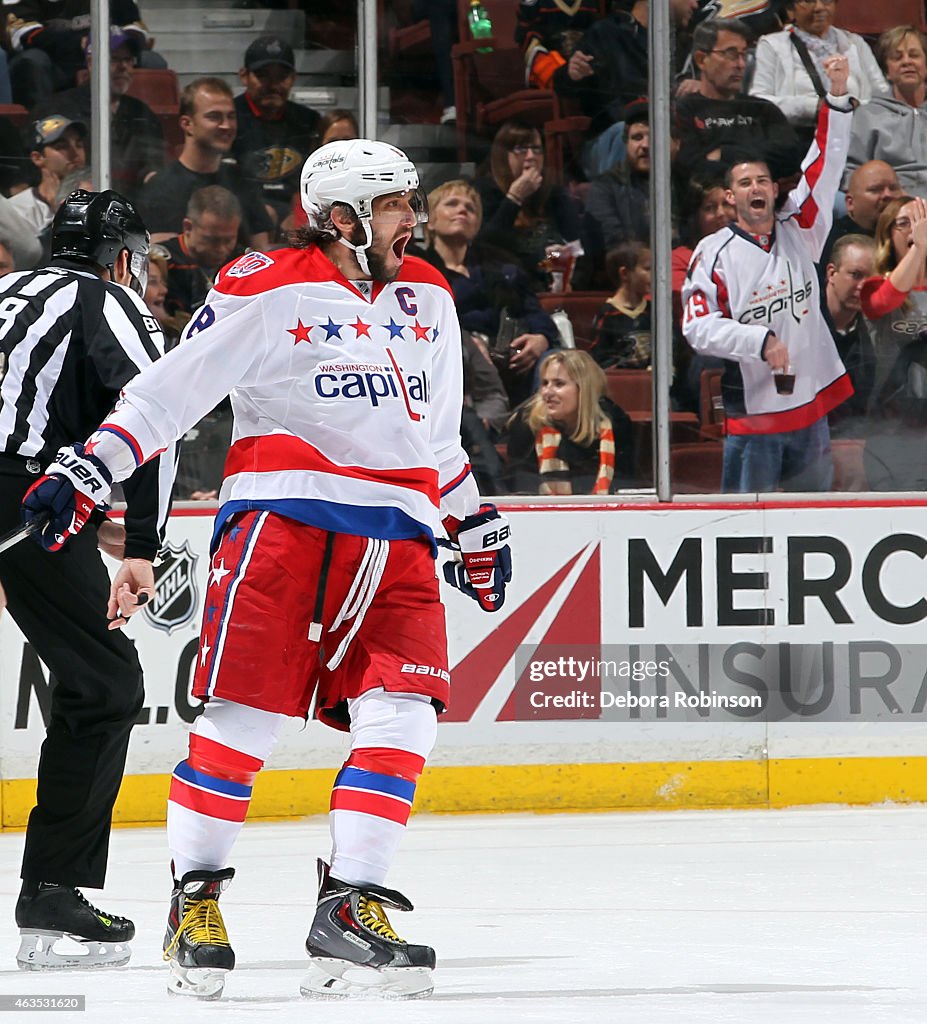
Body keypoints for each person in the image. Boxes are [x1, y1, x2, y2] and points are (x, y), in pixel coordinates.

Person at [20, 140, 512, 1001]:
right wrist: (89, 468)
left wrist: (472, 521)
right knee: (244, 719)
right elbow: (171, 392)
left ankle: (350, 906)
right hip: (281, 524)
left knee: (404, 713)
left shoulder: (428, 294)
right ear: (343, 217)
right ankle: (194, 899)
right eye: (397, 203)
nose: (414, 215)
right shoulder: (263, 280)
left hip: (397, 533)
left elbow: (434, 437)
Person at [0, 190, 173, 970]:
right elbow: (153, 413)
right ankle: (54, 897)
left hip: (30, 501)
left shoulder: (6, 290)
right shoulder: (110, 299)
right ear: (123, 256)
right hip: (23, 502)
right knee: (103, 686)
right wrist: (141, 543)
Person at [682, 53, 854, 492]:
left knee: (812, 524)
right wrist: (759, 341)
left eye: (762, 181)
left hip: (810, 408)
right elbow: (698, 327)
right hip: (752, 415)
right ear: (728, 196)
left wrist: (835, 101)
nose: (755, 188)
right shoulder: (713, 252)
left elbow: (825, 169)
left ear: (776, 189)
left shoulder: (803, 229)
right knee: (744, 527)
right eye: (744, 183)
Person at [418, 179, 560, 409]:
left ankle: (542, 431)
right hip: (454, 357)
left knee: (554, 361)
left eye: (470, 208)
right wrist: (465, 342)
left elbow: (533, 310)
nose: (462, 209)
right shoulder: (418, 269)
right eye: (452, 204)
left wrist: (541, 338)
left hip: (510, 356)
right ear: (431, 221)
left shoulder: (502, 267)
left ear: (476, 224)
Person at [552, 0, 698, 177]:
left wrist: (701, 86)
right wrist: (572, 73)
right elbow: (563, 85)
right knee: (631, 133)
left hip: (669, 133)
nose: (695, 5)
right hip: (612, 137)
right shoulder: (605, 34)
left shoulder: (685, 42)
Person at [32, 27, 165, 204]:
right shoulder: (56, 108)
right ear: (90, 62)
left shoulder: (141, 112)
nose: (123, 67)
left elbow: (153, 169)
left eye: (128, 60)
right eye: (114, 59)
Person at [141, 77, 272, 248]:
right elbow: (157, 259)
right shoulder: (159, 188)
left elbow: (261, 254)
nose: (226, 125)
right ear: (187, 124)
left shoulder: (242, 181)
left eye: (231, 117)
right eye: (214, 117)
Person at [675, 18, 802, 178]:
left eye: (743, 54)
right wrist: (758, 159)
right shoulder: (685, 110)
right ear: (701, 59)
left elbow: (790, 157)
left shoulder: (762, 108)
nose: (741, 64)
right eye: (731, 54)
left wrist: (725, 154)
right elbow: (690, 167)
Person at [749, 0, 888, 146]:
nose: (819, 7)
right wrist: (814, 106)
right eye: (809, 1)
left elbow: (883, 97)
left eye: (826, 1)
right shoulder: (772, 45)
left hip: (856, 138)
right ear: (791, 10)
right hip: (799, 141)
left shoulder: (854, 43)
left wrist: (855, 106)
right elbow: (759, 102)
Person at [472, 120, 582, 289]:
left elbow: (577, 247)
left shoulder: (554, 194)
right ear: (503, 156)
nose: (531, 156)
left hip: (553, 284)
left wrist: (562, 267)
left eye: (537, 149)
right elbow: (485, 246)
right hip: (505, 287)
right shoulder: (484, 191)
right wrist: (514, 198)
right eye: (521, 149)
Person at [506, 349, 634, 493]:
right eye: (545, 383)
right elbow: (520, 487)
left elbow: (625, 485)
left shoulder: (616, 426)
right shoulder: (527, 425)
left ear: (584, 389)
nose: (547, 392)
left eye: (558, 384)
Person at [232, 36, 320, 226]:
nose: (273, 85)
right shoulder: (229, 118)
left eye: (281, 77)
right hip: (243, 215)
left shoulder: (309, 121)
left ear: (293, 78)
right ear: (244, 76)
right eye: (263, 75)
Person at [5, 0, 154, 108]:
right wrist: (79, 43)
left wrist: (117, 43)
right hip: (56, 60)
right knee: (33, 60)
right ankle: (41, 123)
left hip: (106, 54)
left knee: (151, 60)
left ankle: (140, 124)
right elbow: (23, 34)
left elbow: (135, 27)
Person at [844, 26, 927, 195]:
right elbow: (851, 171)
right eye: (897, 57)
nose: (907, 62)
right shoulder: (867, 115)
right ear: (886, 71)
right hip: (889, 199)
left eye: (914, 55)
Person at [162, 186, 243, 323]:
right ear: (188, 227)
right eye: (212, 240)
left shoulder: (243, 262)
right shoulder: (162, 264)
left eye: (229, 240)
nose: (221, 249)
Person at [823, 233, 876, 437]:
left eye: (871, 279)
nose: (863, 286)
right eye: (855, 274)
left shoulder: (873, 336)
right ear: (831, 273)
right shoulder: (803, 325)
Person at [10, 116, 87, 234]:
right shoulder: (18, 209)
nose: (75, 152)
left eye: (79, 145)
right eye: (62, 147)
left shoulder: (101, 200)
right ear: (38, 158)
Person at [819, 160, 901, 268]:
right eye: (875, 190)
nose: (887, 195)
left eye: (893, 188)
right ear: (850, 202)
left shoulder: (911, 235)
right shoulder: (830, 242)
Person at [589, 241, 653, 369]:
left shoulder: (654, 311)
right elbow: (599, 360)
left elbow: (674, 348)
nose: (654, 274)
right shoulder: (607, 315)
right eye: (647, 269)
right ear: (624, 273)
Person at [515, 0, 600, 90]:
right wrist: (562, 76)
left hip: (592, 80)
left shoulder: (594, 4)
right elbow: (531, 47)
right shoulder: (536, 5)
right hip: (552, 84)